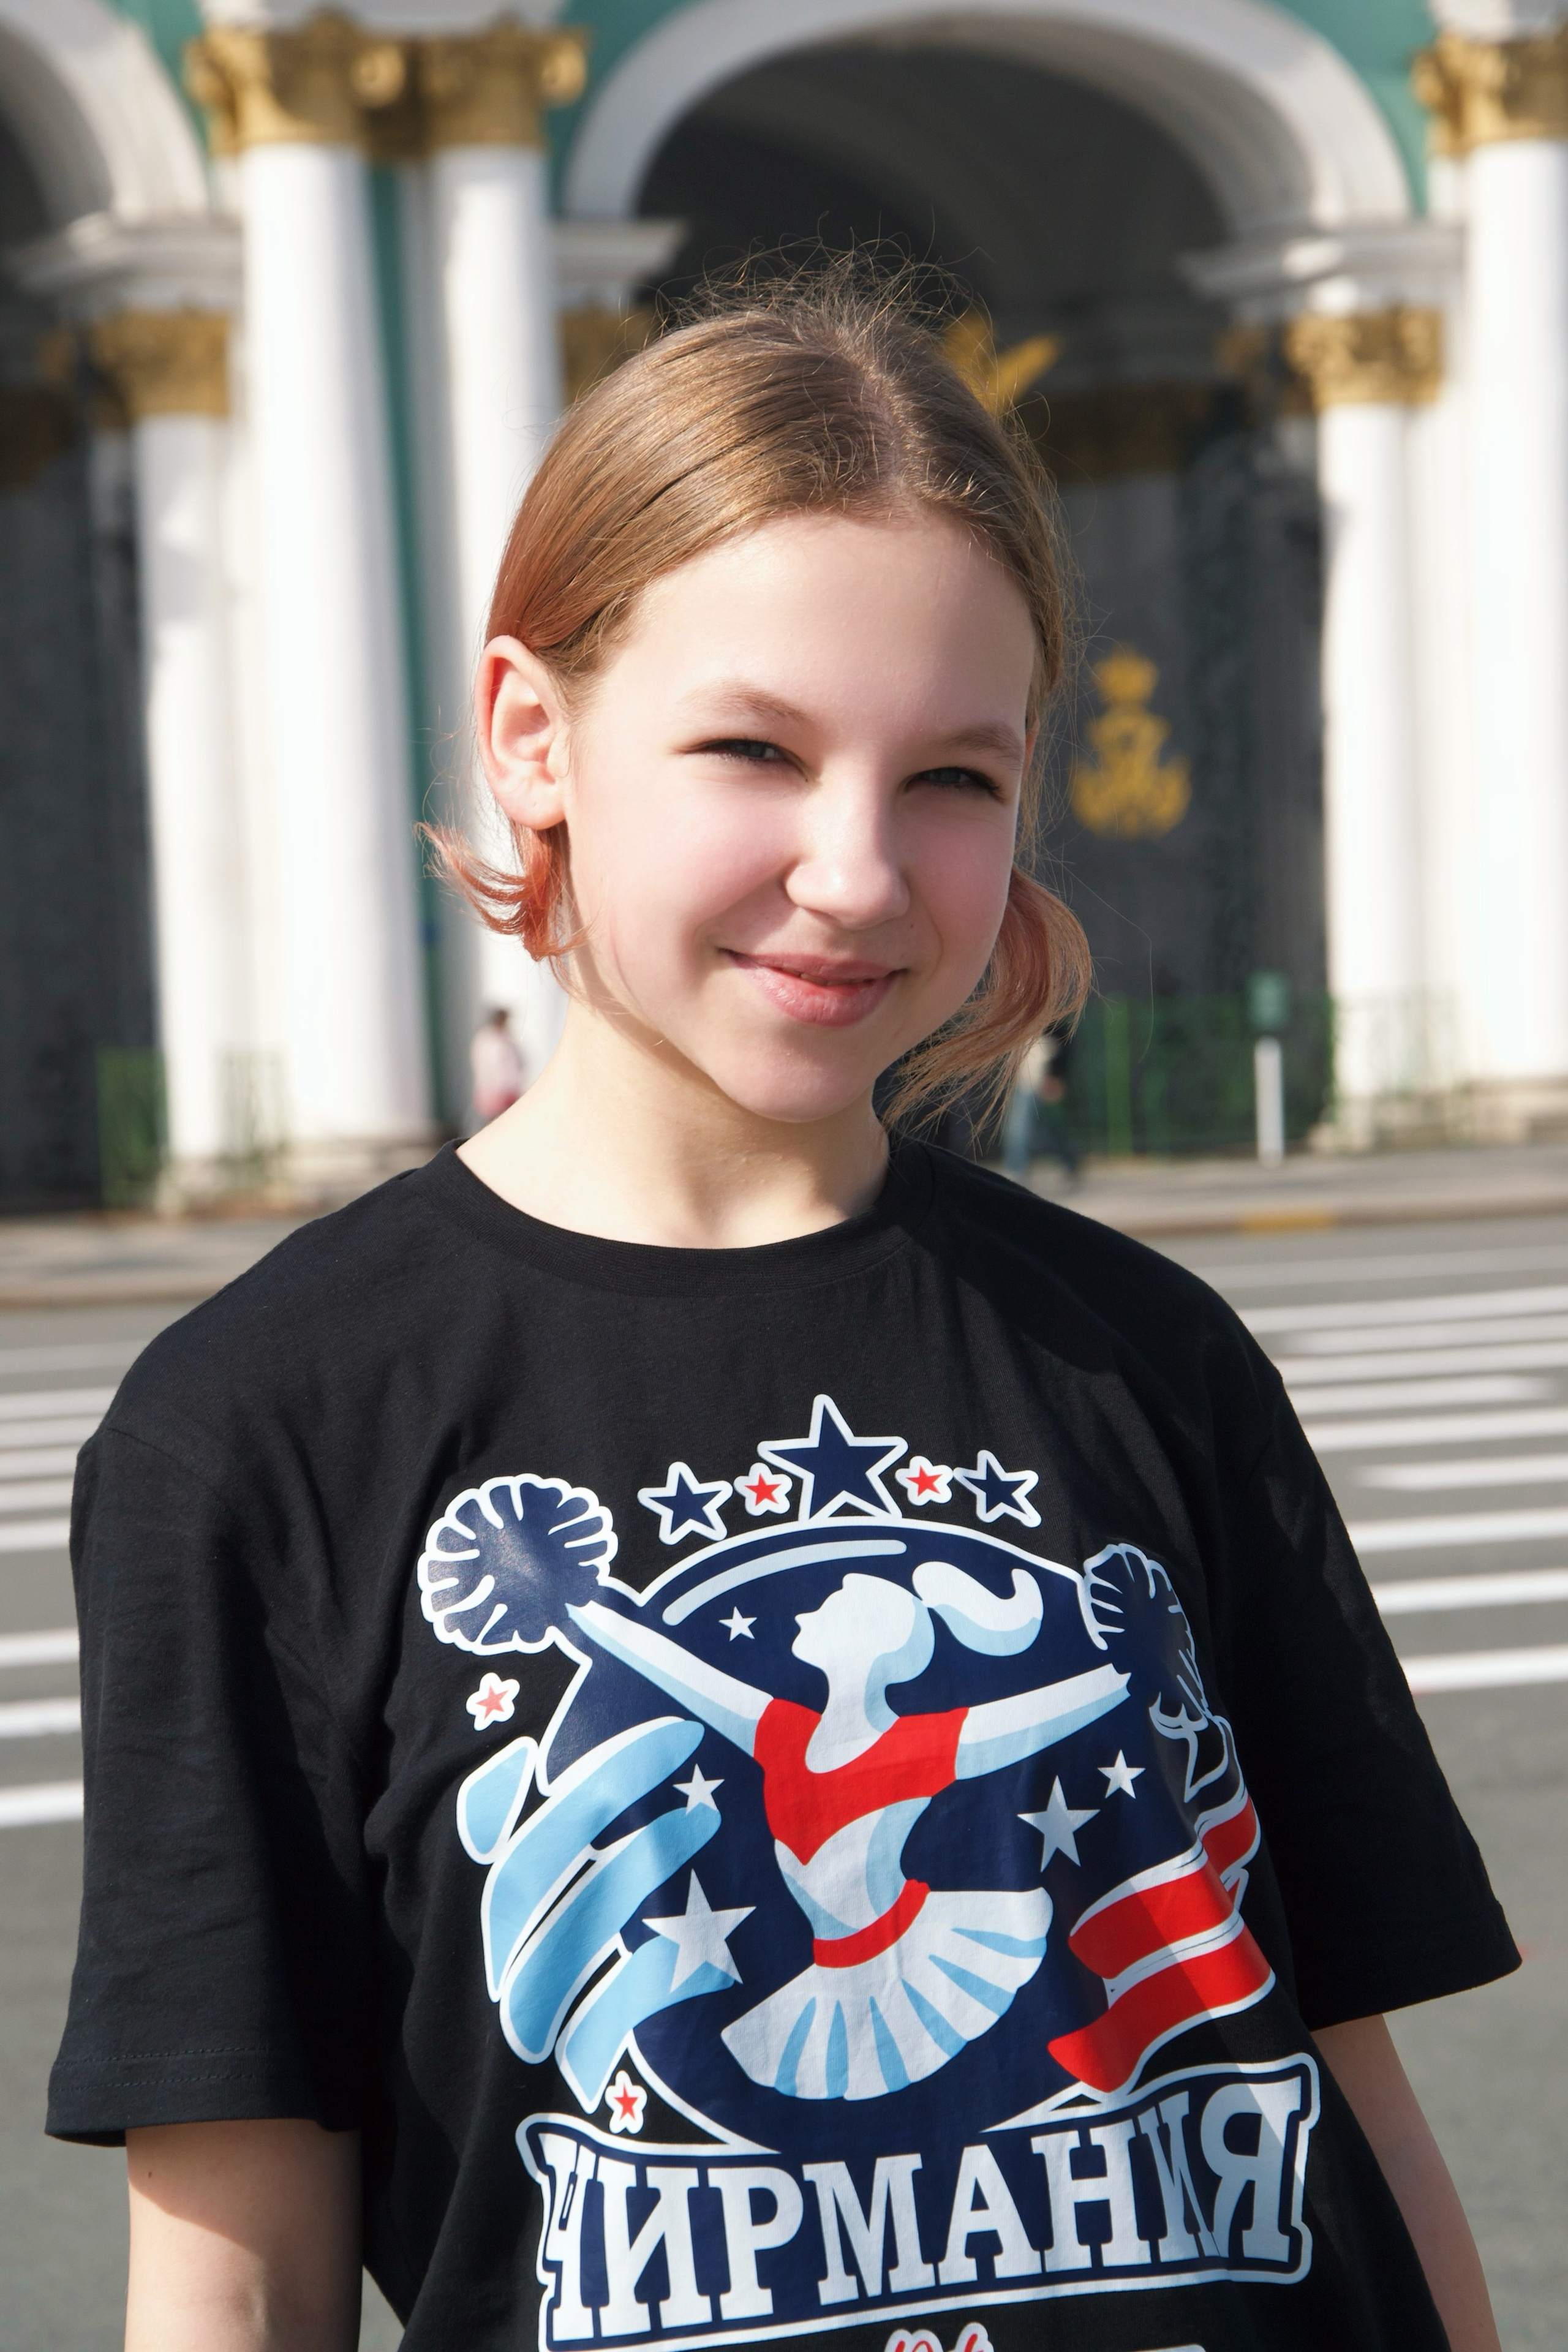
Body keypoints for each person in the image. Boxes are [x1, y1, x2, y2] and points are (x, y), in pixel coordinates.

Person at [53, 269, 1513, 2352]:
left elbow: (1341, 2088)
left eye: (954, 779)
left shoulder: (1151, 1352)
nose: (855, 872)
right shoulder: (260, 1429)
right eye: (755, 748)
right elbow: (236, 2260)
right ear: (535, 737)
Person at [1002, 1023, 1079, 1182]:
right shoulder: (1019, 1026)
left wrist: (1056, 1077)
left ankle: (1070, 1162)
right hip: (1024, 1085)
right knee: (1019, 1128)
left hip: (1044, 1084)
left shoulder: (1054, 1027)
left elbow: (1064, 1050)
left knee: (1051, 1129)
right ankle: (1017, 1169)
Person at [469, 1003, 526, 1126]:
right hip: (498, 1093)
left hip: (494, 1093)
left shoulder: (488, 1039)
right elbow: (502, 1068)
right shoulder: (493, 1041)